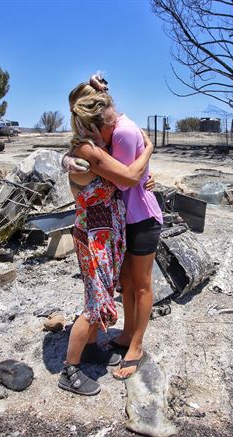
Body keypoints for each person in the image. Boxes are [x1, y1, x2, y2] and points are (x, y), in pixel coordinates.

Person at [58, 77, 156, 396]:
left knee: (113, 290)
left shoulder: (93, 145)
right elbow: (127, 178)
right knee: (96, 299)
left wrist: (146, 171)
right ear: (93, 123)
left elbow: (125, 174)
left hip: (107, 231)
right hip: (94, 235)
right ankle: (69, 370)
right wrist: (150, 150)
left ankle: (105, 346)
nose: (113, 126)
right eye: (107, 122)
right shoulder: (87, 149)